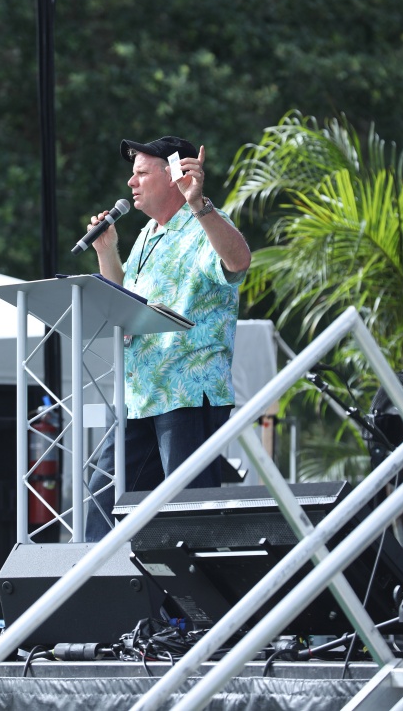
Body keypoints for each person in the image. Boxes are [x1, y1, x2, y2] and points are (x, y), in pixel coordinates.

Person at [84, 135, 251, 542]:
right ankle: (100, 584)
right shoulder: (147, 234)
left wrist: (199, 204)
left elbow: (238, 261)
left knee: (187, 521)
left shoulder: (204, 223)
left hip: (186, 395)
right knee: (103, 505)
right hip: (139, 396)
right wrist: (106, 251)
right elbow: (124, 302)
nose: (131, 182)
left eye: (142, 173)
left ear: (174, 174)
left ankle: (194, 588)